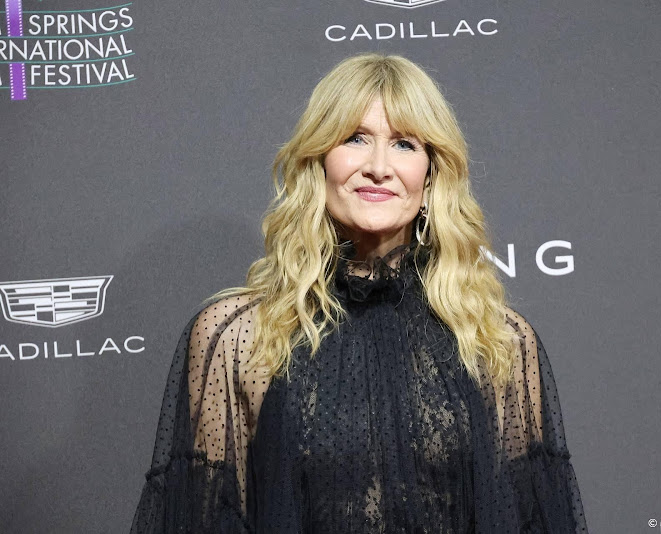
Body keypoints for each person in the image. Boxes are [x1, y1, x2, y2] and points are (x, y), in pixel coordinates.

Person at [130, 53, 587, 533]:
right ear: (318, 161)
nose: (378, 167)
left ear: (431, 176)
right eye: (355, 139)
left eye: (405, 144)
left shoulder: (497, 339)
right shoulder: (240, 337)